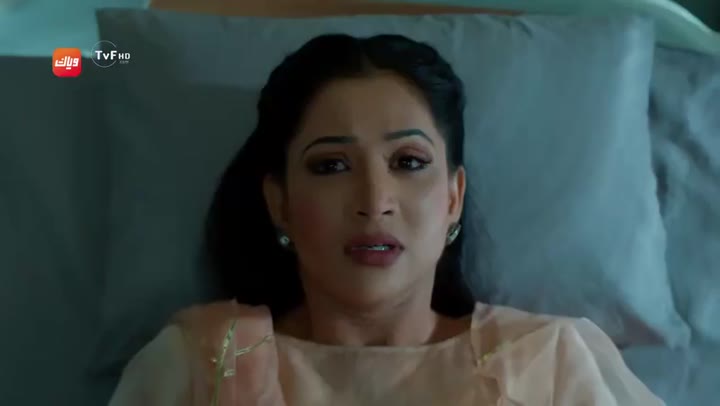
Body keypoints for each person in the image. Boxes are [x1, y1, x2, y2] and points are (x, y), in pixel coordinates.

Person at [108, 34, 664, 406]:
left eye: (409, 163)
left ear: (453, 198)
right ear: (279, 203)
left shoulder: (547, 364)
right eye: (331, 165)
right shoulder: (200, 367)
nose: (375, 201)